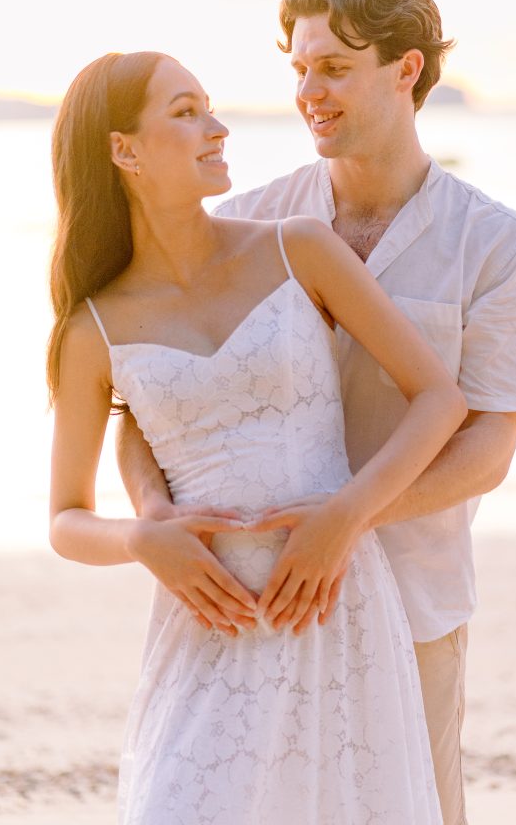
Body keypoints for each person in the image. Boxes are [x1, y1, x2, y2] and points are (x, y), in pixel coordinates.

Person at [117, 0, 516, 825]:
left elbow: (484, 453)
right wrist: (149, 513)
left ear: (407, 70)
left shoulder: (495, 245)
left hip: (415, 597)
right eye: (299, 69)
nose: (309, 92)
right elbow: (142, 395)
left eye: (334, 68)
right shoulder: (246, 223)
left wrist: (342, 520)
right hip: (245, 602)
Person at [48, 50, 468, 823]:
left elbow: (437, 398)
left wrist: (344, 519)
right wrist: (142, 538)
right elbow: (66, 519)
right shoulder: (91, 328)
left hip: (332, 605)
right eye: (185, 113)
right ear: (123, 150)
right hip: (207, 621)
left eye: (208, 107)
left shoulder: (297, 247)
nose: (216, 128)